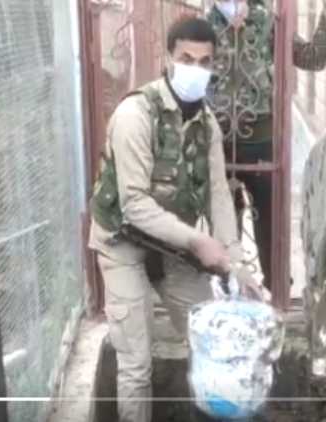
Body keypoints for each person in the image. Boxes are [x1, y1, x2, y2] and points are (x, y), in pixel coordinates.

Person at [88, 17, 245, 422]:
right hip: (121, 242)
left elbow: (218, 193)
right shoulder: (135, 114)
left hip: (169, 243)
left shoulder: (206, 124)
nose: (196, 68)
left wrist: (233, 255)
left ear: (214, 66)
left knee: (210, 338)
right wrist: (198, 242)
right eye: (186, 58)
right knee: (136, 365)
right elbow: (134, 206)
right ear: (168, 58)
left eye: (205, 61)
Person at [206, 0, 326, 290]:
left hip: (261, 141)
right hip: (217, 142)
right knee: (224, 225)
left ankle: (275, 293)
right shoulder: (205, 23)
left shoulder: (268, 20)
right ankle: (230, 291)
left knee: (269, 224)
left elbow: (312, 58)